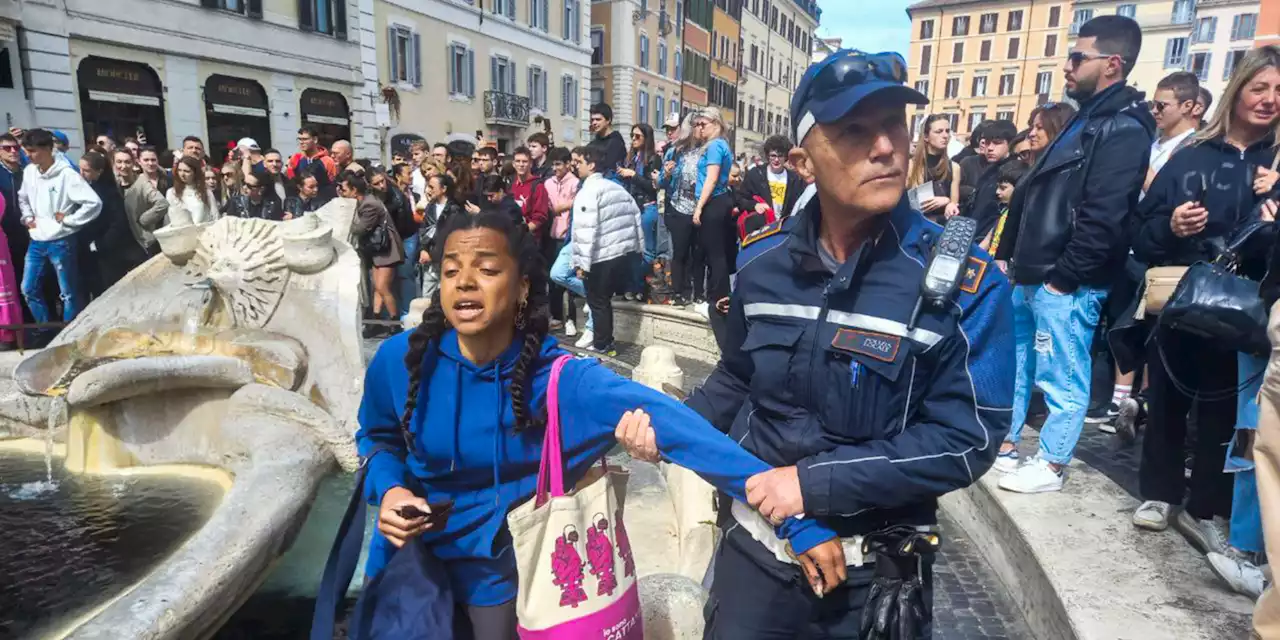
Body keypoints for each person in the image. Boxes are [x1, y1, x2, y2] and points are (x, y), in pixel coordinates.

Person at [617, 48, 1014, 637]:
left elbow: (967, 437)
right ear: (804, 161)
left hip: (870, 582)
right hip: (754, 561)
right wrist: (670, 426)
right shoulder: (762, 261)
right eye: (854, 131)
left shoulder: (965, 284)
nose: (885, 148)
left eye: (893, 128)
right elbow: (738, 376)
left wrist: (809, 484)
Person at [357, 207, 838, 639]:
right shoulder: (401, 361)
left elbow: (685, 433)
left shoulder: (566, 383)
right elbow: (377, 440)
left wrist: (792, 518)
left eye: (485, 270)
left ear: (522, 285)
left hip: (502, 583)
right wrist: (391, 489)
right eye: (450, 271)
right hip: (405, 569)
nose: (464, 283)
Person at [993, 15, 1156, 493]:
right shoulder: (1086, 120)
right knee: (1023, 363)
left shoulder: (1122, 128)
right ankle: (1009, 444)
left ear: (1112, 64)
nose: (1067, 66)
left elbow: (1105, 214)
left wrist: (1064, 277)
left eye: (1078, 57)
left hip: (1064, 277)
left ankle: (1053, 462)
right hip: (1037, 272)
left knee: (1061, 370)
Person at [1127, 46, 1280, 551]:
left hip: (1249, 305)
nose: (1269, 100)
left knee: (1226, 412)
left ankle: (1206, 506)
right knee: (1168, 397)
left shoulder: (1277, 161)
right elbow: (1142, 232)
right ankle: (1159, 493)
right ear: (1238, 89)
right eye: (1260, 88)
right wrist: (1171, 226)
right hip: (1185, 293)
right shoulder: (1191, 155)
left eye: (1279, 91)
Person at [18, 129, 102, 332]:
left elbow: (93, 203)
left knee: (68, 292)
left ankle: (69, 332)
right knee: (28, 288)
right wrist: (28, 217)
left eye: (33, 151)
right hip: (37, 240)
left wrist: (70, 221)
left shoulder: (67, 175)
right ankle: (46, 329)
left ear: (47, 149)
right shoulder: (29, 171)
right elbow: (23, 196)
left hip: (61, 241)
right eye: (26, 150)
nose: (28, 155)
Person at [569, 145, 642, 356]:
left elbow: (585, 231)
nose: (576, 166)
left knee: (597, 301)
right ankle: (606, 342)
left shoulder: (588, 192)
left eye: (579, 162)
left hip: (599, 255)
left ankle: (601, 345)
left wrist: (581, 264)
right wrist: (636, 248)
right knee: (604, 301)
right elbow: (634, 216)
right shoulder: (616, 187)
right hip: (619, 253)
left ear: (591, 165)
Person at [688, 107, 736, 331]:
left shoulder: (716, 146)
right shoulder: (720, 145)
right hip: (719, 201)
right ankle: (719, 299)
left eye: (703, 124)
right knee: (716, 253)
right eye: (697, 124)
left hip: (713, 202)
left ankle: (718, 300)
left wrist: (698, 207)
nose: (699, 128)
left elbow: (712, 179)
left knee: (714, 253)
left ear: (716, 123)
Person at [343, 172, 404, 328]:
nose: (342, 193)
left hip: (386, 249)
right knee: (377, 286)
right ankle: (375, 321)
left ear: (354, 190)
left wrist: (344, 220)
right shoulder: (366, 201)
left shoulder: (369, 204)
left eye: (344, 190)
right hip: (378, 249)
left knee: (383, 287)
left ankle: (394, 321)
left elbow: (360, 229)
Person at [662, 113, 706, 306]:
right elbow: (661, 183)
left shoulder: (706, 150)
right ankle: (678, 292)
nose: (699, 129)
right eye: (695, 125)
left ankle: (697, 292)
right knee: (679, 252)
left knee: (698, 254)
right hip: (678, 207)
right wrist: (666, 173)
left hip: (700, 208)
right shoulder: (674, 152)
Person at [618, 124, 662, 300]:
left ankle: (641, 286)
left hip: (647, 206)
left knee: (648, 251)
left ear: (646, 138)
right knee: (631, 250)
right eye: (632, 136)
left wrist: (633, 175)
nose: (633, 139)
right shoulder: (631, 158)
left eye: (637, 136)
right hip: (632, 207)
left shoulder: (653, 158)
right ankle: (635, 286)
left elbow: (653, 187)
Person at [371, 166, 420, 316]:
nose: (382, 185)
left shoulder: (396, 195)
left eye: (383, 181)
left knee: (404, 274)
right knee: (382, 281)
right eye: (377, 183)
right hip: (386, 238)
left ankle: (406, 312)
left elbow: (401, 223)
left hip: (404, 236)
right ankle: (383, 315)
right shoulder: (371, 196)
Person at [543, 147, 582, 336]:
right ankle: (557, 316)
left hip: (568, 236)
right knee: (553, 280)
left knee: (566, 279)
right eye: (553, 164)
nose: (555, 168)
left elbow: (580, 202)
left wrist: (564, 206)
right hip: (551, 235)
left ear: (568, 164)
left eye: (558, 164)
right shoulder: (548, 183)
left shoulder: (576, 183)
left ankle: (571, 319)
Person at [1143, 71, 1201, 194]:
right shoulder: (1154, 141)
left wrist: (1140, 166)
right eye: (1153, 104)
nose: (1154, 111)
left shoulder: (1194, 149)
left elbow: (1171, 197)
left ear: (1187, 106)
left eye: (1161, 106)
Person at [963, 119, 1019, 242]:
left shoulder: (1014, 174)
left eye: (996, 143)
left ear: (1010, 144)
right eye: (987, 143)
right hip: (973, 236)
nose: (990, 148)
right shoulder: (991, 170)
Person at [416, 173, 463, 303]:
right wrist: (423, 249)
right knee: (427, 296)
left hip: (445, 259)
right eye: (428, 186)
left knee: (446, 297)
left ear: (443, 189)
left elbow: (449, 236)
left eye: (432, 187)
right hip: (429, 262)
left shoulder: (454, 210)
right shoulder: (430, 207)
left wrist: (433, 255)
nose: (428, 190)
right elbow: (424, 230)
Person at [907, 114, 963, 222]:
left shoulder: (955, 167)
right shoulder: (911, 165)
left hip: (940, 227)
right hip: (916, 224)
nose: (945, 135)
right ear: (926, 137)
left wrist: (948, 202)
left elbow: (954, 205)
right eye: (939, 131)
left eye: (947, 131)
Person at [740, 135, 805, 223]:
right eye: (773, 156)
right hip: (761, 227)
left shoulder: (794, 178)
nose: (776, 160)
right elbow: (740, 199)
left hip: (784, 227)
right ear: (767, 156)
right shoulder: (755, 174)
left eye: (780, 156)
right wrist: (754, 205)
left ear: (786, 157)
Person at [0, 134, 28, 295]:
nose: (13, 151)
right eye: (7, 148)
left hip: (28, 233)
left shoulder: (27, 173)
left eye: (16, 147)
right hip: (6, 235)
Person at [982, 160, 1028, 255]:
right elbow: (988, 240)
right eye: (997, 187)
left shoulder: (1022, 216)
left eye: (1003, 188)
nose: (997, 192)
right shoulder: (1004, 211)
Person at [166, 156, 220, 226]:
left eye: (186, 171)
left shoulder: (206, 192)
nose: (182, 174)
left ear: (195, 172)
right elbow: (168, 220)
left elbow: (215, 217)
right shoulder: (171, 192)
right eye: (179, 170)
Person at [509, 147, 551, 236]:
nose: (521, 164)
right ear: (513, 164)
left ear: (531, 164)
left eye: (524, 161)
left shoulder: (538, 186)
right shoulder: (510, 185)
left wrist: (523, 232)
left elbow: (540, 217)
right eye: (518, 161)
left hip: (529, 239)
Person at [1019, 102, 1077, 167]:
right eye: (1032, 128)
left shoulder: (1068, 167)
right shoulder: (1025, 165)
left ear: (1057, 129)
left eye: (1039, 128)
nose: (1031, 134)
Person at [587, 103, 627, 175]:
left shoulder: (616, 142)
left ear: (608, 120)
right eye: (592, 120)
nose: (594, 123)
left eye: (598, 119)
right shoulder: (591, 145)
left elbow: (610, 167)